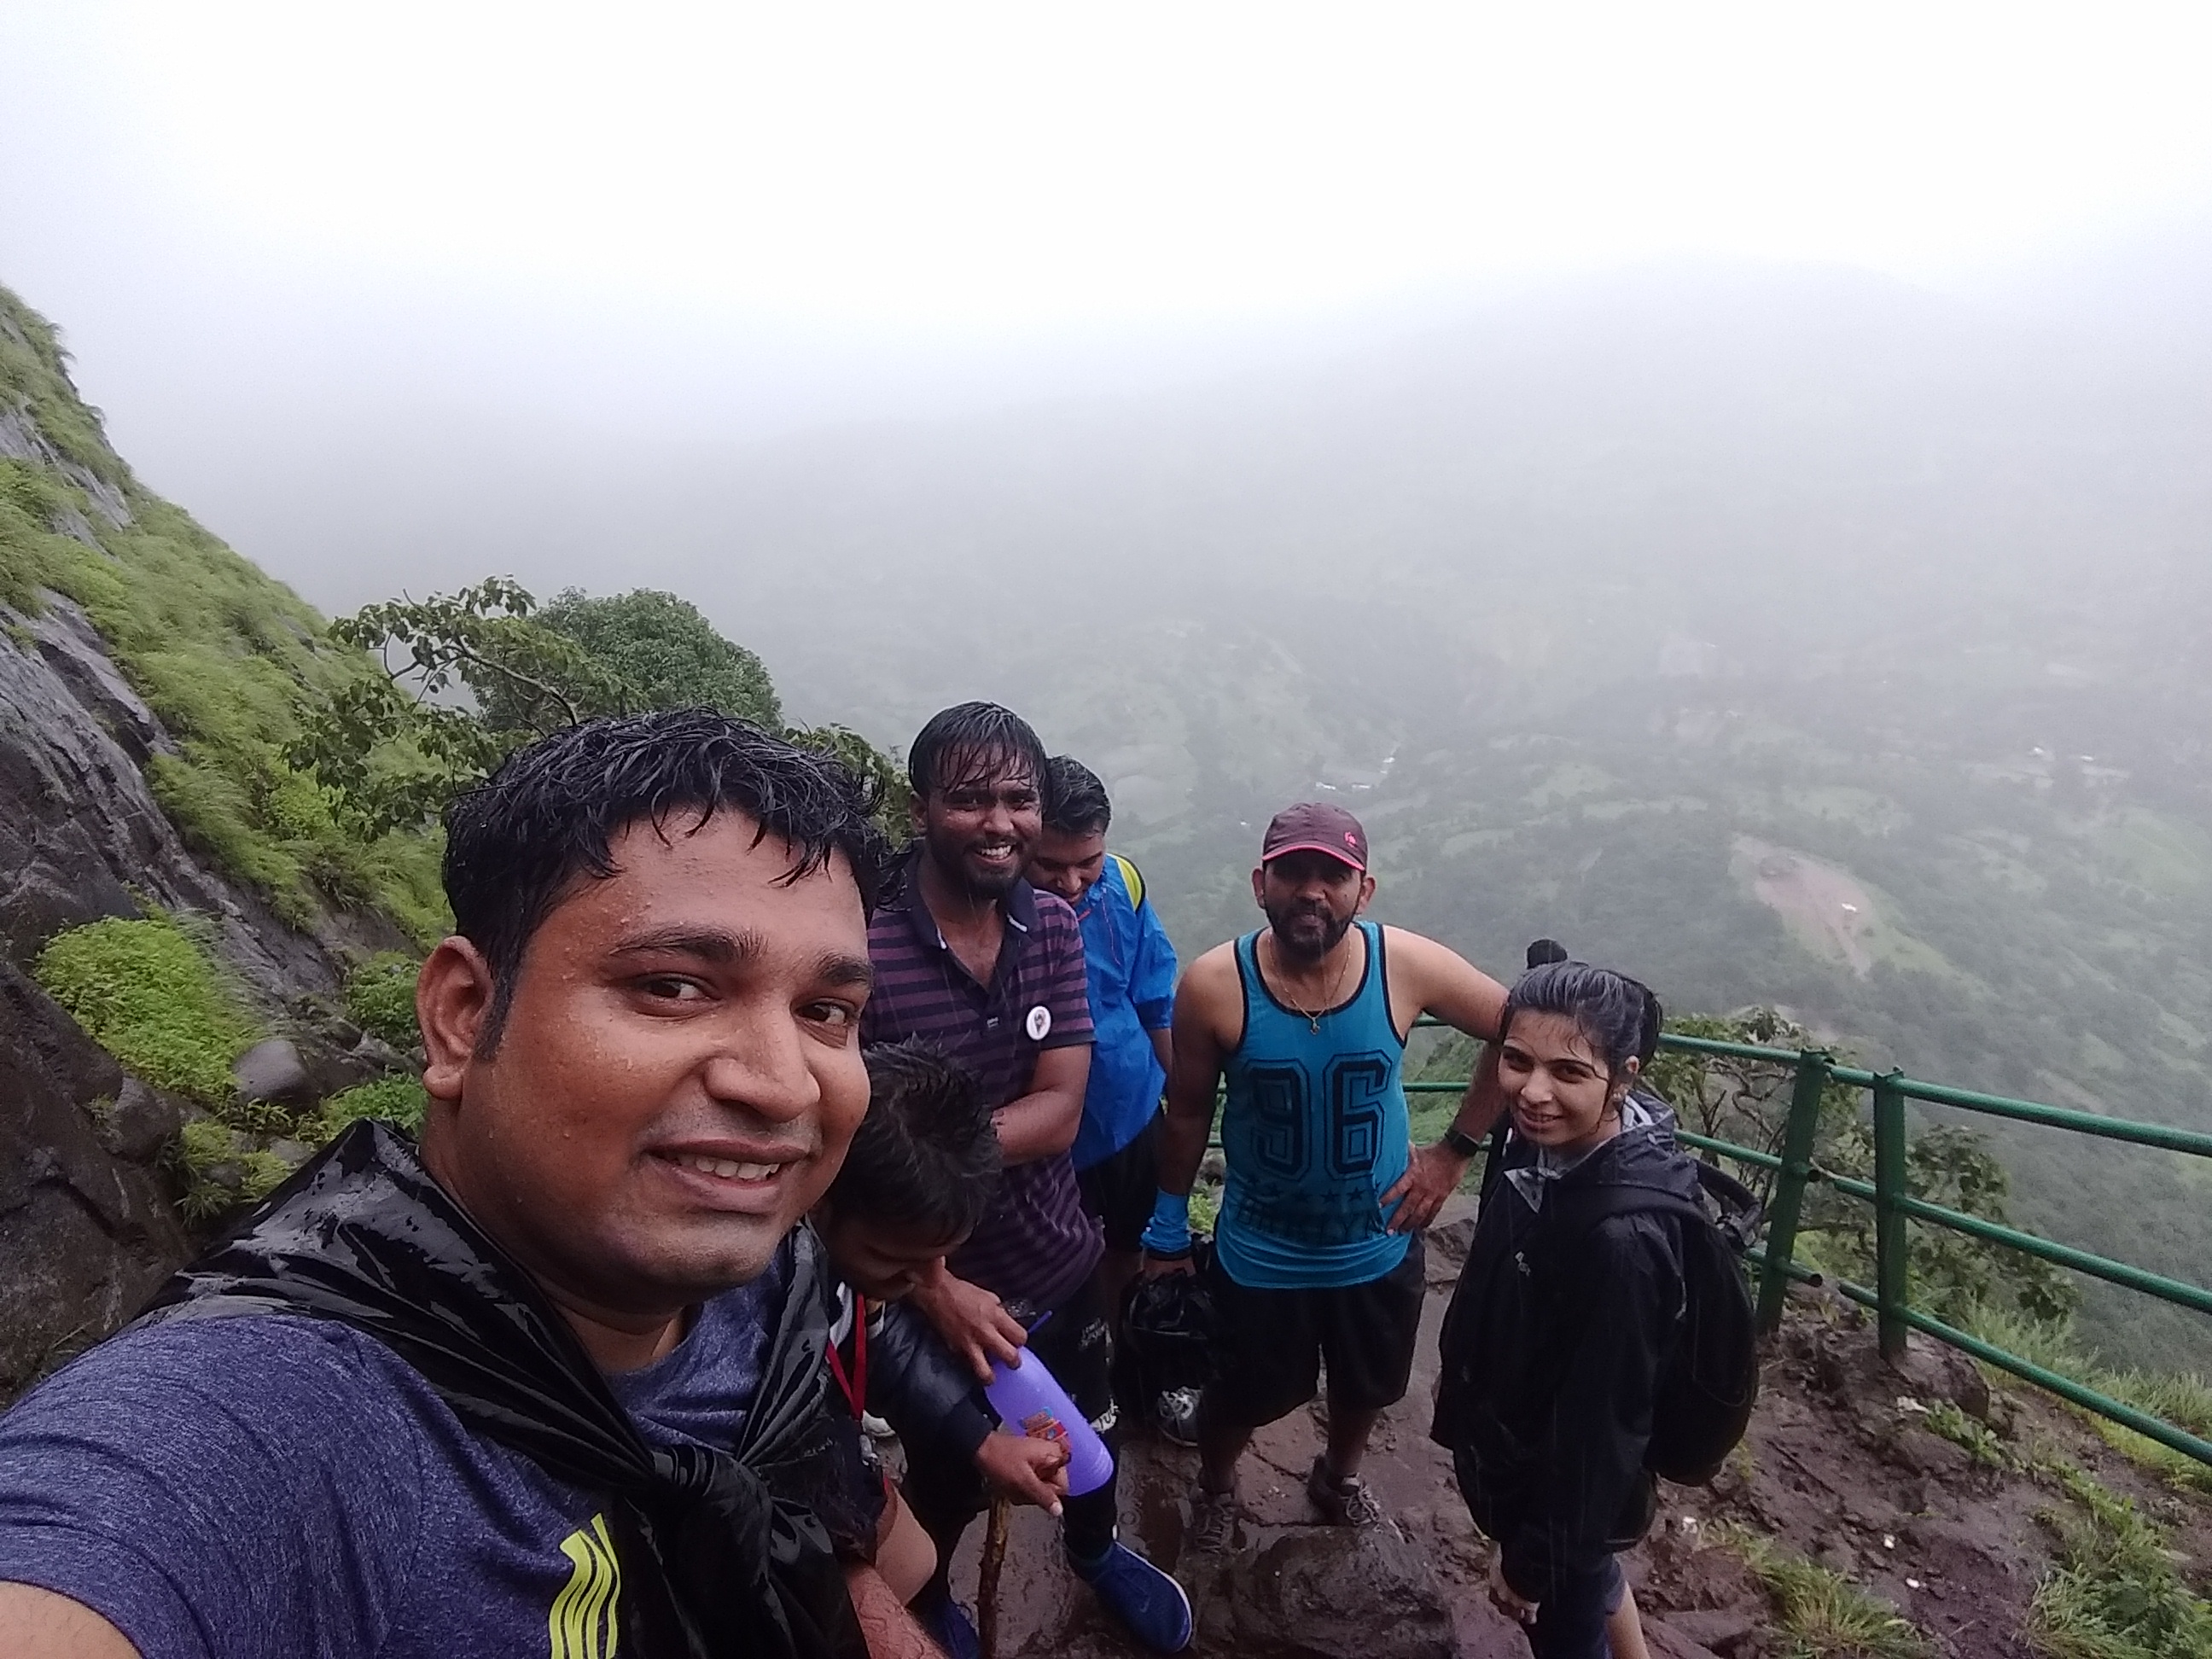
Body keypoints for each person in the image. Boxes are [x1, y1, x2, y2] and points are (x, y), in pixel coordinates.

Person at [0, 711, 956, 1659]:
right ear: (463, 1016)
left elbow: (831, 1539)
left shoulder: (769, 1286)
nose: (785, 1081)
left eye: (827, 1011)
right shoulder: (256, 1432)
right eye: (672, 986)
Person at [861, 702, 1191, 1656]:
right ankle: (928, 1598)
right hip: (930, 1294)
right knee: (953, 1469)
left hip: (1056, 1256)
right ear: (920, 806)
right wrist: (932, 1281)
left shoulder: (1051, 924)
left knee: (1088, 1433)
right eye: (969, 799)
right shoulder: (868, 949)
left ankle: (1095, 1551)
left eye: (1018, 798)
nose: (999, 821)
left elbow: (1059, 1110)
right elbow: (845, 1148)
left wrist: (912, 1145)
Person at [1143, 800, 1511, 1549]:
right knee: (1241, 1393)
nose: (1313, 891)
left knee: (1366, 1384)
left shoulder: (1402, 965)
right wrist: (1167, 1226)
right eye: (1294, 872)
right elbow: (1184, 1114)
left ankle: (1336, 1476)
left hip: (1378, 1238)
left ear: (1363, 891)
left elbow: (1520, 1028)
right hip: (1259, 1251)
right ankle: (1217, 1487)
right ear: (1261, 884)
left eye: (1333, 876)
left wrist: (1454, 1152)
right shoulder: (1216, 984)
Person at [1430, 961, 1700, 1659]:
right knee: (1596, 1577)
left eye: (1570, 1073)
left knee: (1569, 1623)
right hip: (1535, 1458)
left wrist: (1530, 1565)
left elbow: (1599, 1433)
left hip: (1559, 1497)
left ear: (1625, 1076)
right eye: (1516, 1061)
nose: (1534, 1092)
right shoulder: (1552, 1142)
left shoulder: (1623, 1244)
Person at [810, 1039, 1078, 1605]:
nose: (933, 1283)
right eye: (897, 1259)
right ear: (818, 1201)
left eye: (943, 1256)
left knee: (917, 1564)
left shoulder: (852, 1266)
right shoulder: (746, 1304)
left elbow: (881, 1342)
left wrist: (983, 1444)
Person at [1027, 755, 1179, 1319]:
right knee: (1065, 1263)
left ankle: (1123, 1349)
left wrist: (1183, 1103)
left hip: (1136, 1114)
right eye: (1050, 865)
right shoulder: (1001, 912)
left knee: (1128, 1245)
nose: (1070, 883)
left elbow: (1154, 996)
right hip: (1055, 1139)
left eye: (1087, 863)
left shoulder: (1124, 886)